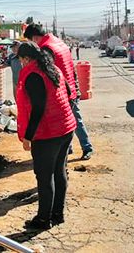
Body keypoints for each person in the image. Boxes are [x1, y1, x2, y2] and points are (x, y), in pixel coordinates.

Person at [16, 41, 77, 229]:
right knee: (59, 172)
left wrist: (28, 135)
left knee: (44, 176)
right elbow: (69, 93)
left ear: (26, 59)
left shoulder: (33, 75)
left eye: (20, 60)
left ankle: (44, 219)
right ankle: (57, 214)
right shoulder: (53, 69)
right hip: (65, 128)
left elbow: (38, 108)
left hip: (48, 134)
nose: (20, 64)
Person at [24, 23, 94, 160]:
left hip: (63, 90)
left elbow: (48, 71)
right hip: (71, 88)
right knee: (71, 120)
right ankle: (70, 149)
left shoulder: (46, 48)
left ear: (34, 38)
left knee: (70, 121)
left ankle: (87, 147)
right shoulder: (59, 42)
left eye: (30, 41)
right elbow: (70, 66)